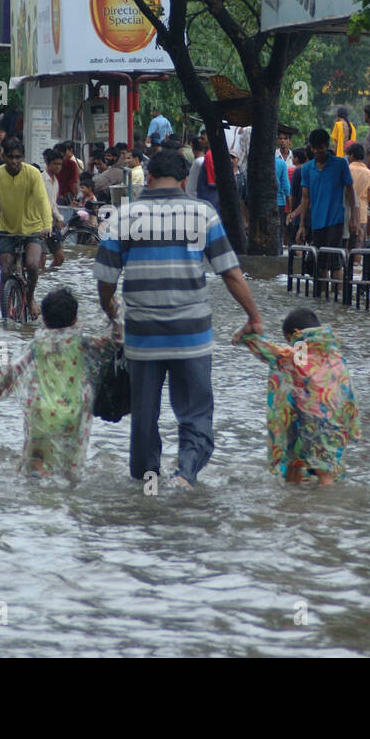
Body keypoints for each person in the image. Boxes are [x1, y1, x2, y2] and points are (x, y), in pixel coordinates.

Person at [94, 149, 263, 489]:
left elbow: (106, 279)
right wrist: (254, 317)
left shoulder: (123, 217)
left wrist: (109, 308)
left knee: (144, 416)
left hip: (143, 337)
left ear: (150, 178)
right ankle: (185, 475)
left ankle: (148, 482)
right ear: (185, 180)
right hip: (192, 335)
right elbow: (230, 273)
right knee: (195, 413)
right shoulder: (203, 214)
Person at [0, 287, 122, 482]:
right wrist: (114, 313)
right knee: (69, 471)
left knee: (35, 470)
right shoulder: (83, 342)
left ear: (44, 320)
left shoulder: (37, 345)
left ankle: (39, 506)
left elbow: (13, 372)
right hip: (73, 412)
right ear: (75, 319)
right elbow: (116, 341)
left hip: (41, 413)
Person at [234, 307, 360, 485]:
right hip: (333, 421)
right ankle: (320, 508)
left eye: (288, 339)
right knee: (316, 467)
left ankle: (306, 508)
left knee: (305, 467)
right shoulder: (334, 353)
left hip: (309, 421)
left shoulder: (300, 351)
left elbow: (274, 353)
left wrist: (247, 337)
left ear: (295, 333)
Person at [0, 138, 51, 319]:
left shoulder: (33, 174)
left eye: (18, 157)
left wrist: (46, 226)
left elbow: (43, 201)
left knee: (33, 265)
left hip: (33, 229)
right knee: (5, 270)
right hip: (7, 230)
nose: (14, 161)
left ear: (23, 157)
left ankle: (30, 298)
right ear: (3, 157)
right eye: (10, 157)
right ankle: (5, 316)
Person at [289, 129, 360, 295]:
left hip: (335, 220)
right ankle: (322, 297)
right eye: (313, 148)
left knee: (334, 260)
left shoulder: (340, 164)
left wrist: (353, 219)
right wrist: (301, 225)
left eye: (319, 148)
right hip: (316, 221)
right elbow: (305, 198)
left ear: (326, 146)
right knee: (320, 262)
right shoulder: (307, 169)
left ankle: (338, 295)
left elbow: (350, 192)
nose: (316, 151)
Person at [346, 142, 370, 246]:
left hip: (344, 214)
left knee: (343, 247)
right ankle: (356, 261)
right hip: (361, 215)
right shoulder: (369, 174)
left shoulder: (346, 170)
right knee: (358, 246)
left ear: (351, 155)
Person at [41, 148, 66, 268]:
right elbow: (43, 203)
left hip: (51, 223)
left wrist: (59, 218)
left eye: (60, 164)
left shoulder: (55, 181)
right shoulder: (40, 179)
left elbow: (53, 203)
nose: (58, 167)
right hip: (39, 223)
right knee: (41, 259)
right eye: (55, 164)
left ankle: (48, 279)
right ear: (48, 163)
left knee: (59, 258)